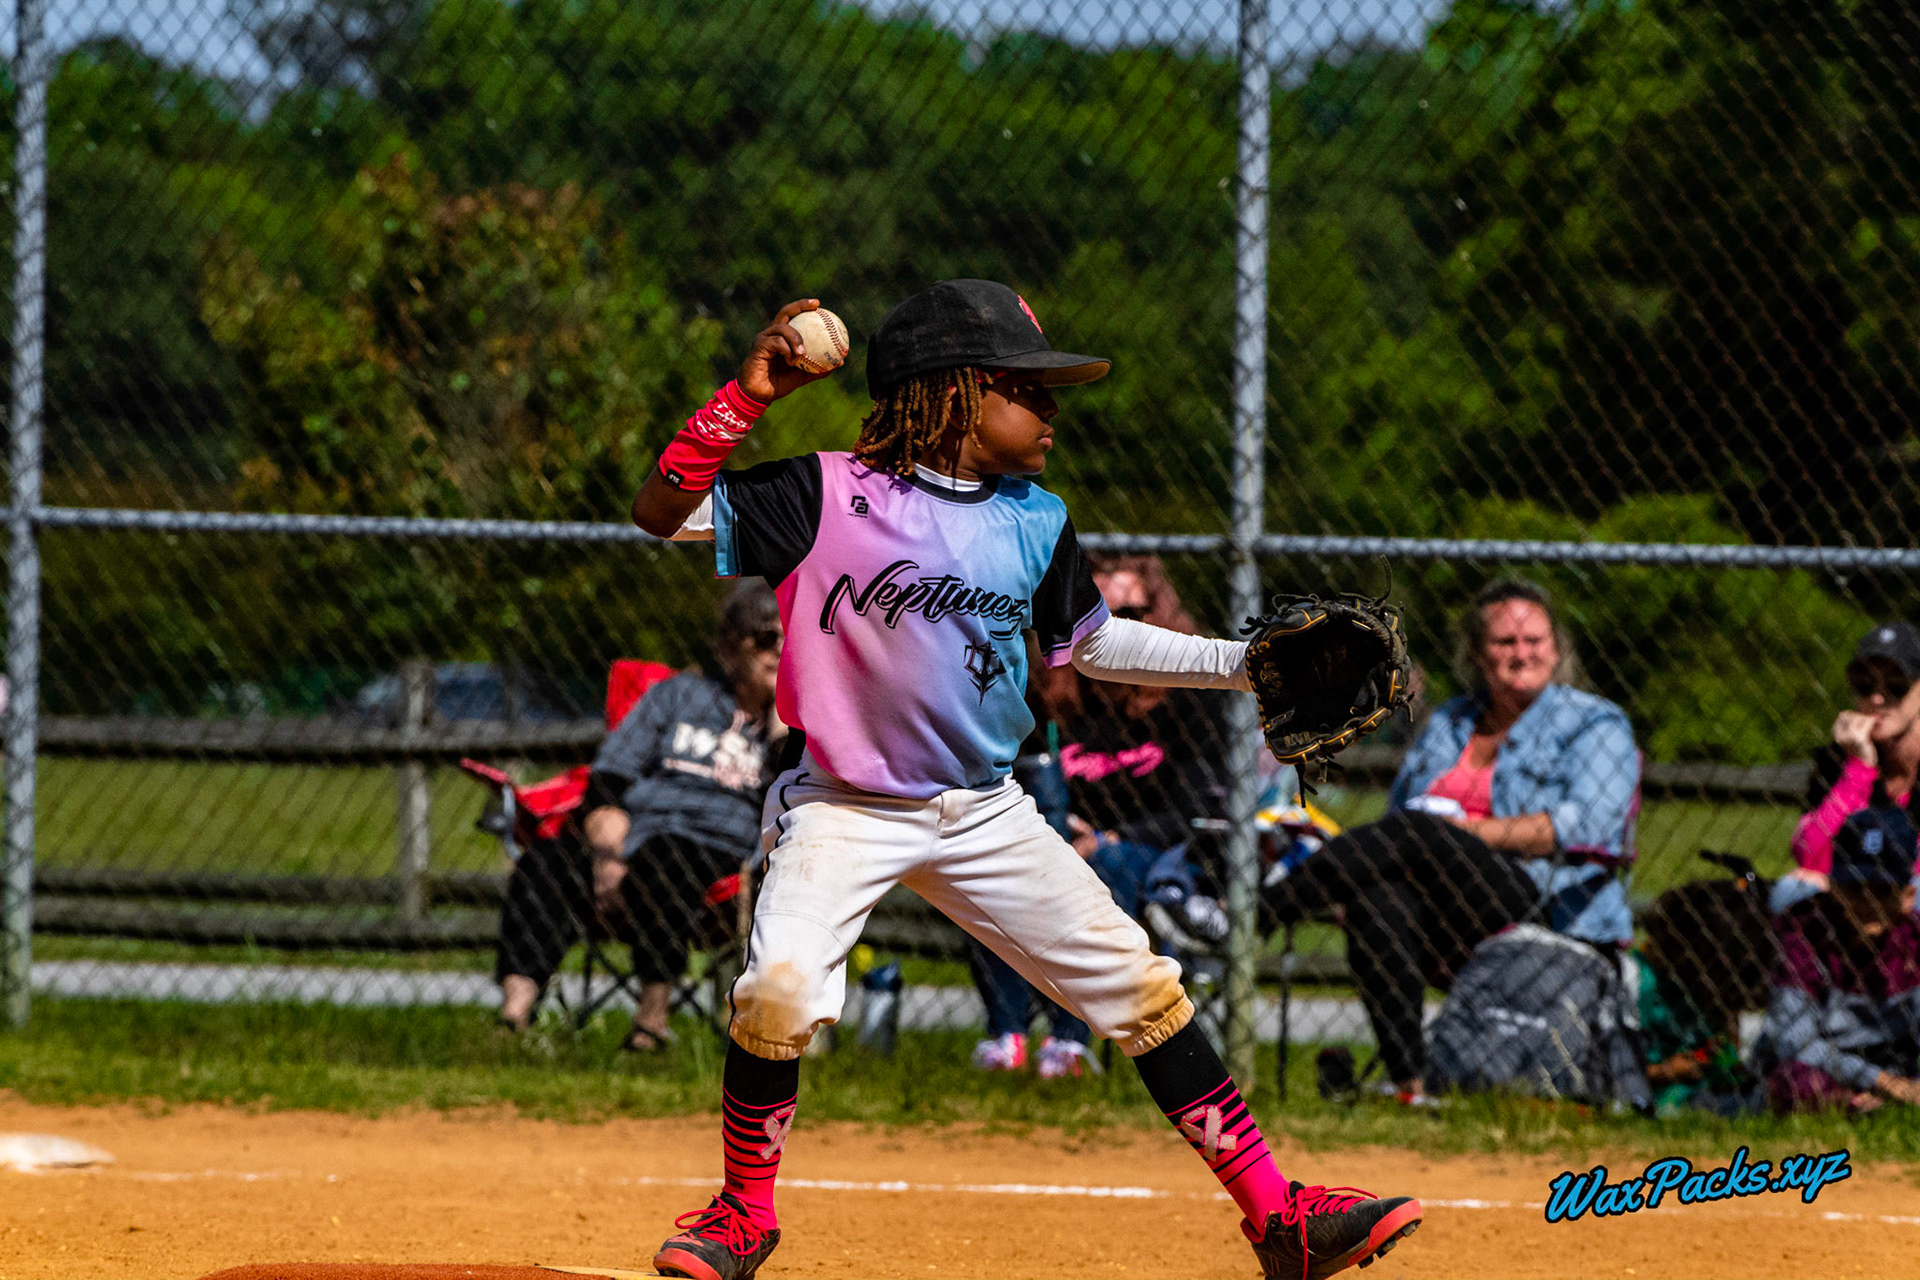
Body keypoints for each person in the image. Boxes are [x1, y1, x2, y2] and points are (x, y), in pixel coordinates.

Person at [629, 283, 1422, 1280]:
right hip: (842, 801)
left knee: (1141, 986)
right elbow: (663, 511)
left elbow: (1091, 643)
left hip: (984, 810)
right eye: (1027, 389)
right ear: (954, 395)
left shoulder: (1037, 521)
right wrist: (749, 397)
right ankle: (744, 1214)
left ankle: (1281, 1218)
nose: (1051, 412)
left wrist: (1240, 662)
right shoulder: (826, 494)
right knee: (780, 988)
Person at [1264, 578, 1639, 1105]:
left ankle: (1263, 908)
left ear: (1557, 648)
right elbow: (1399, 817)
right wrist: (1424, 843)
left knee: (1423, 832)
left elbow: (1592, 824)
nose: (1521, 653)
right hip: (1440, 903)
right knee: (1379, 898)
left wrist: (1467, 834)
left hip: (1543, 900)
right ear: (1478, 653)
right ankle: (1412, 1086)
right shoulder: (1450, 723)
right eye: (1504, 643)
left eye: (1534, 640)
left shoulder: (1595, 724)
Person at [969, 554, 1231, 1079]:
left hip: (1154, 847)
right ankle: (1008, 1034)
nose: (1119, 630)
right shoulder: (1055, 696)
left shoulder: (1186, 700)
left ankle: (1069, 1043)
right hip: (1058, 835)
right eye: (1103, 617)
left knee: (1100, 870)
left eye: (1133, 614)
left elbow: (1196, 808)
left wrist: (1110, 836)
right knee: (984, 869)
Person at [494, 582, 785, 1052]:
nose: (779, 650)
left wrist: (781, 723)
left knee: (668, 859)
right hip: (635, 835)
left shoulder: (799, 716)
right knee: (545, 864)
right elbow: (609, 777)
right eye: (764, 639)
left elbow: (795, 799)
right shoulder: (678, 696)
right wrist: (608, 854)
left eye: (788, 639)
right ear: (731, 645)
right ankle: (514, 1017)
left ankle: (650, 1023)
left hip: (724, 860)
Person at [1757, 805, 1920, 1114]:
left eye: (1883, 891)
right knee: (1798, 1085)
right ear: (1833, 889)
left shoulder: (1914, 940)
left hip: (1896, 1065)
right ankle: (1865, 1106)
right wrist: (1882, 1082)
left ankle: (1879, 1107)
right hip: (1822, 1065)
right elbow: (1794, 1039)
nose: (1868, 903)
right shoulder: (1806, 932)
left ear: (1908, 896)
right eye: (1855, 889)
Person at [1776, 621, 1920, 913]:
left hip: (1906, 891)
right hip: (1850, 894)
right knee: (1793, 889)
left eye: (1895, 685)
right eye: (1865, 684)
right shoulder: (1837, 761)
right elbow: (1809, 857)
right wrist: (1859, 769)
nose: (1877, 698)